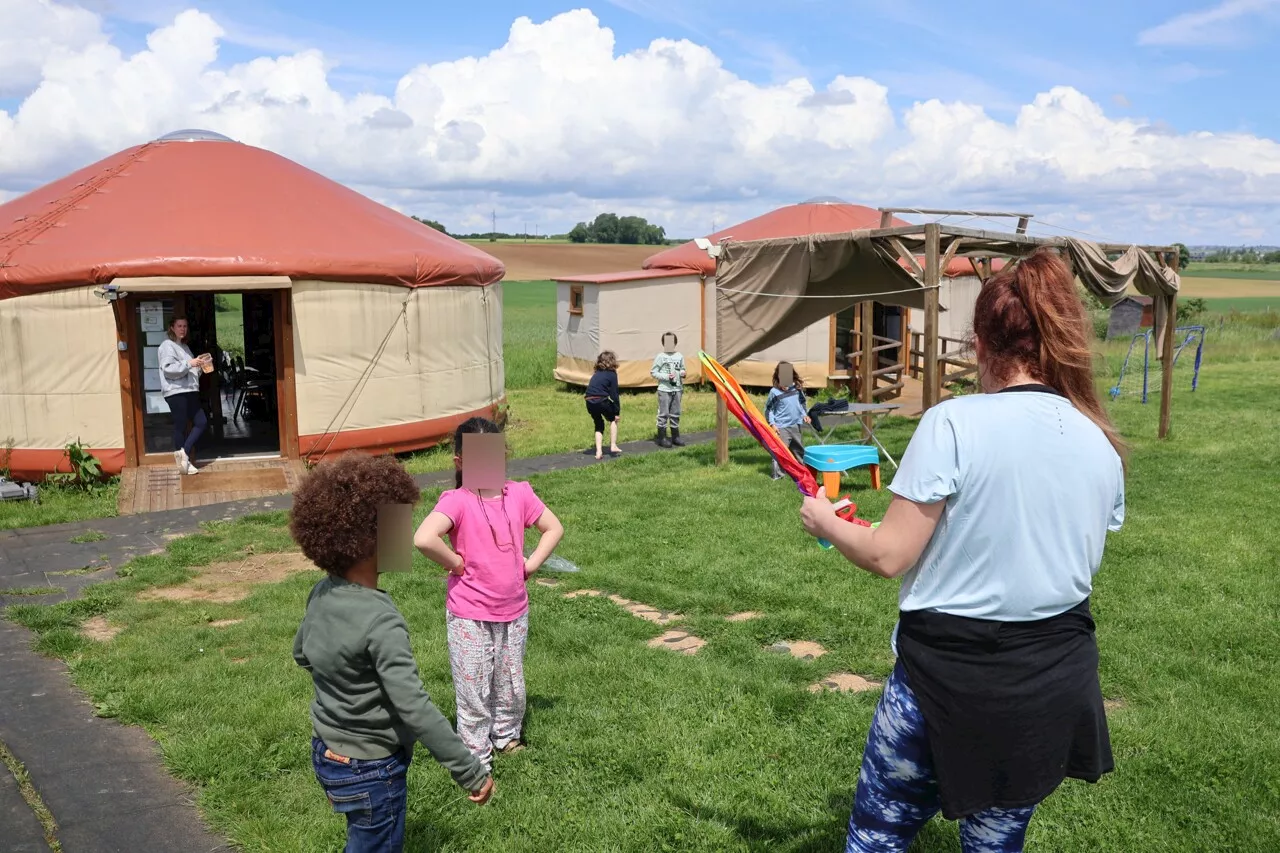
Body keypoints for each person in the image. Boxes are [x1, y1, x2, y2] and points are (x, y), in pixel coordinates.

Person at [799, 249, 1127, 853]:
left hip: (946, 678)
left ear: (979, 344)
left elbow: (887, 556)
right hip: (1051, 678)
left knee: (879, 833)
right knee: (995, 843)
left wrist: (825, 519)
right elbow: (1009, 533)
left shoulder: (953, 423)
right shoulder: (1097, 439)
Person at [290, 453, 494, 853]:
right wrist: (470, 770)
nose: (408, 534)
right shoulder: (381, 619)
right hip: (372, 767)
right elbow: (414, 707)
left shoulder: (322, 592)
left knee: (362, 836)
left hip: (327, 751)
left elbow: (303, 654)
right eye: (399, 523)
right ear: (372, 540)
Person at [414, 417, 564, 773]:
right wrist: (454, 563)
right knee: (474, 687)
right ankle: (475, 757)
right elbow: (423, 538)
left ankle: (506, 735)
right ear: (460, 462)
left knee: (510, 681)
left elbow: (553, 527)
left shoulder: (519, 493)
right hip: (470, 614)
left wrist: (530, 566)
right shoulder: (458, 501)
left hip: (514, 610)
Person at [157, 317, 210, 475]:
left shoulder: (185, 347)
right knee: (180, 426)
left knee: (201, 422)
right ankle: (184, 461)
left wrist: (201, 365)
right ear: (172, 328)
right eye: (179, 326)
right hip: (176, 391)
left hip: (190, 390)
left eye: (185, 326)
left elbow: (191, 370)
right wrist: (189, 364)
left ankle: (184, 454)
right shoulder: (167, 346)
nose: (183, 329)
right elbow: (168, 369)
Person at [764, 362, 810, 480]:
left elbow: (801, 404)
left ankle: (802, 473)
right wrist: (772, 424)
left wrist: (805, 415)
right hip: (781, 427)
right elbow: (769, 410)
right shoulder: (774, 393)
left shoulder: (797, 389)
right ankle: (778, 476)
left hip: (795, 425)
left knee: (798, 450)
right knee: (780, 451)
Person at [650, 332, 687, 448]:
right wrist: (666, 377)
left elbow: (682, 369)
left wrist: (682, 373)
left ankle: (675, 436)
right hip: (664, 389)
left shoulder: (679, 356)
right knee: (664, 413)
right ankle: (662, 437)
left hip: (677, 388)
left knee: (675, 412)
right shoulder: (660, 357)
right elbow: (653, 372)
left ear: (675, 343)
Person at [584, 350, 623, 459]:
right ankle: (613, 445)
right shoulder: (612, 374)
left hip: (589, 400)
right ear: (612, 361)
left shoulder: (596, 373)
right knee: (613, 419)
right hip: (601, 400)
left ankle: (599, 452)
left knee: (598, 424)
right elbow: (614, 394)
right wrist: (616, 411)